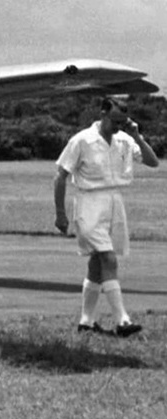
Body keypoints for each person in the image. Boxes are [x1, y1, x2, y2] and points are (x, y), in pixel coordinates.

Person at [54, 98, 158, 338]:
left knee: (97, 264)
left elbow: (153, 162)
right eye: (114, 121)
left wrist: (137, 136)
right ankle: (122, 320)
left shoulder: (125, 140)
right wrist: (61, 213)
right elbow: (60, 176)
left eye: (122, 122)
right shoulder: (81, 140)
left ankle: (86, 322)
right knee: (109, 259)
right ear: (102, 113)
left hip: (114, 203)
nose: (118, 126)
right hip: (89, 203)